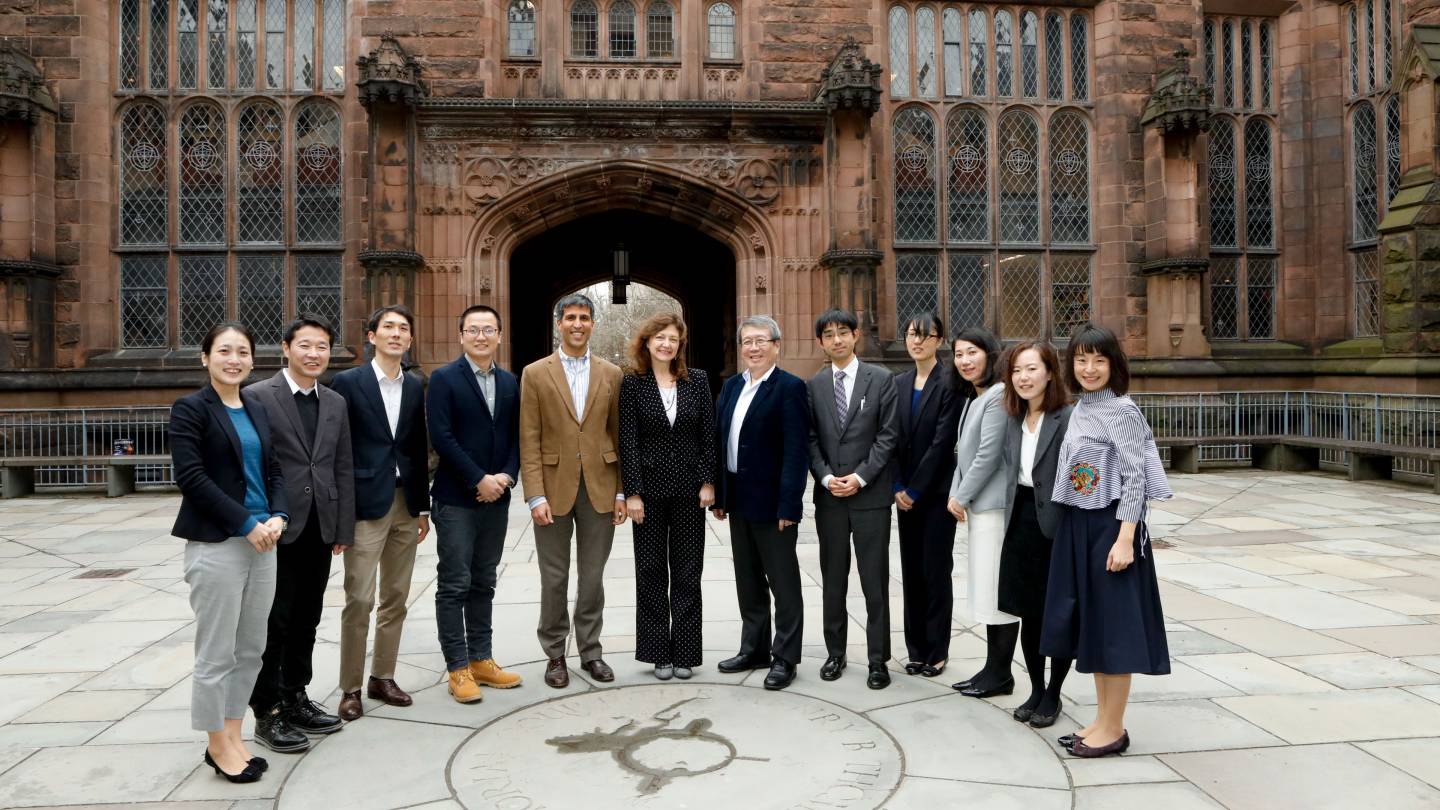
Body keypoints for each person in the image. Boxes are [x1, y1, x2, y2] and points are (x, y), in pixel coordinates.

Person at [1043, 322, 1172, 758]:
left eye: (1099, 360)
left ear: (1114, 364)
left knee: (1114, 630)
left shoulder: (1122, 412)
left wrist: (1125, 539)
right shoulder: (1082, 408)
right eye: (1082, 360)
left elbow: (1136, 478)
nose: (1090, 368)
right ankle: (1102, 719)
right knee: (1095, 627)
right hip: (1081, 524)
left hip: (1111, 527)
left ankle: (1114, 728)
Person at [170, 322, 287, 784]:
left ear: (252, 360)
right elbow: (192, 478)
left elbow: (274, 469)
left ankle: (235, 733)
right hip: (219, 543)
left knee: (251, 649)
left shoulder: (256, 407)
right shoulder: (191, 409)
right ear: (205, 358)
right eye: (224, 351)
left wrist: (278, 515)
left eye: (242, 352)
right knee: (216, 653)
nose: (233, 359)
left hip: (265, 542)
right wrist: (246, 523)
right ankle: (216, 744)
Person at [246, 317, 354, 752]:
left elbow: (341, 464)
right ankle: (267, 710)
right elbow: (252, 464)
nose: (314, 354)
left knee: (308, 617)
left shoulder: (335, 401)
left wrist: (342, 526)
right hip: (276, 526)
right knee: (275, 621)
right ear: (286, 348)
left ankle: (295, 695)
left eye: (322, 346)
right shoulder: (258, 396)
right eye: (305, 345)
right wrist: (257, 519)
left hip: (320, 526)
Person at [520, 293, 627, 689]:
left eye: (584, 317)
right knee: (554, 578)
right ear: (559, 324)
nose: (577, 324)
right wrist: (535, 494)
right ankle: (554, 654)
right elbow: (529, 437)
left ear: (593, 324)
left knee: (592, 577)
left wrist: (621, 491)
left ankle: (591, 651)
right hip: (552, 489)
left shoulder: (612, 374)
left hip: (600, 487)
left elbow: (620, 435)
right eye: (570, 318)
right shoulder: (535, 373)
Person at [329, 305, 431, 721]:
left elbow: (417, 446)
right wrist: (340, 513)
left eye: (403, 328)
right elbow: (336, 447)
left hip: (405, 503)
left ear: (410, 339)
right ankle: (350, 687)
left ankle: (382, 677)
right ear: (371, 336)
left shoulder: (416, 385)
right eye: (388, 327)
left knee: (396, 597)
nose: (396, 333)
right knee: (359, 598)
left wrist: (422, 507)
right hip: (364, 505)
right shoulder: (347, 383)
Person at [427, 305, 524, 703]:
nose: (481, 336)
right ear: (461, 335)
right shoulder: (444, 379)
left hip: (496, 499)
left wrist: (506, 476)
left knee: (484, 581)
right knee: (455, 584)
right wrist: (478, 478)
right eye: (473, 330)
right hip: (456, 499)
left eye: (488, 330)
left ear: (499, 335)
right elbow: (442, 436)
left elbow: (517, 435)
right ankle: (458, 668)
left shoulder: (510, 381)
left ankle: (481, 658)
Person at [712, 315, 811, 691]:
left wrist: (790, 505)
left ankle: (785, 657)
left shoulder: (789, 388)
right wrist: (721, 495)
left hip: (773, 504)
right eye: (747, 342)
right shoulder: (732, 387)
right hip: (738, 499)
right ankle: (754, 649)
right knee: (748, 579)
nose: (753, 348)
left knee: (783, 583)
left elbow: (796, 451)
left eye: (760, 341)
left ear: (776, 346)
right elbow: (721, 442)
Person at [619, 313, 716, 680]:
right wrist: (633, 493)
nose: (666, 344)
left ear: (680, 344)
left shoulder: (698, 381)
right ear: (647, 342)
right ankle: (658, 652)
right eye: (660, 337)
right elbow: (627, 440)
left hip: (691, 491)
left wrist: (708, 481)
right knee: (651, 571)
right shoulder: (633, 383)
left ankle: (686, 653)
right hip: (649, 493)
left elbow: (708, 433)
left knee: (688, 572)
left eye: (673, 339)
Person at [806, 309, 899, 690]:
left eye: (842, 332)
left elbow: (888, 436)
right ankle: (835, 653)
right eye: (828, 335)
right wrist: (827, 477)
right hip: (830, 498)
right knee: (833, 580)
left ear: (856, 335)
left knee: (874, 582)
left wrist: (860, 477)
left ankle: (878, 660)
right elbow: (810, 438)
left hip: (870, 497)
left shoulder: (881, 379)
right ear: (821, 342)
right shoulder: (814, 386)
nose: (837, 340)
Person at [996, 340, 1073, 729]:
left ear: (1050, 373)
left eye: (1031, 369)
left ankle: (1054, 693)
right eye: (1016, 370)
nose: (1023, 377)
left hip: (1056, 523)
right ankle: (1036, 688)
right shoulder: (1013, 418)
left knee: (1056, 613)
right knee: (1028, 612)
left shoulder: (1067, 418)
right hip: (1021, 520)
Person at [947, 326, 1019, 698]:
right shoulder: (974, 398)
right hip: (980, 509)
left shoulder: (998, 395)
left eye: (972, 352)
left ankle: (1001, 674)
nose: (964, 361)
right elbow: (963, 454)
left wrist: (961, 496)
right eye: (959, 354)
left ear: (990, 354)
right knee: (985, 591)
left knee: (996, 592)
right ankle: (992, 669)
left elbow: (988, 455)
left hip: (994, 508)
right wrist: (955, 493)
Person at [892, 313, 961, 678]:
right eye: (911, 334)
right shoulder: (899, 382)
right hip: (904, 496)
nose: (917, 341)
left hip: (934, 495)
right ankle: (915, 649)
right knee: (911, 572)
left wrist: (915, 488)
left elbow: (942, 442)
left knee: (935, 571)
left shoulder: (950, 383)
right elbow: (890, 437)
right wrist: (897, 486)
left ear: (939, 340)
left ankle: (937, 650)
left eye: (925, 335)